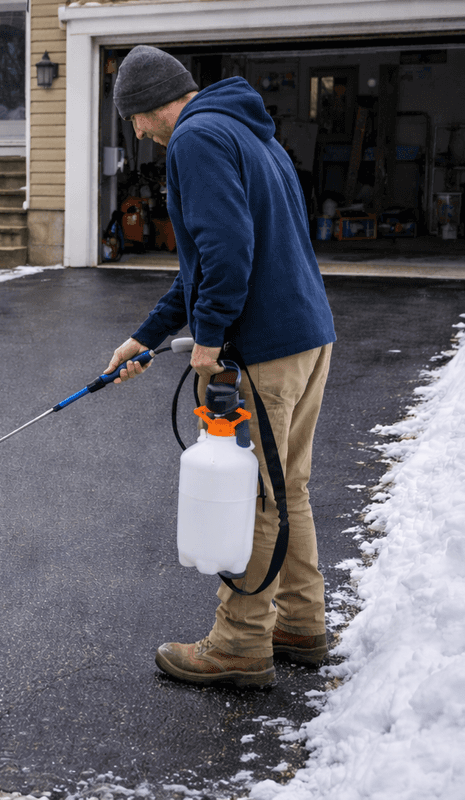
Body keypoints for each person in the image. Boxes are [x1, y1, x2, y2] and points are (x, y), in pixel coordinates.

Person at [106, 46, 337, 687]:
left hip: (265, 346)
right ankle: (299, 622)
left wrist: (208, 339)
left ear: (153, 105)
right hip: (306, 337)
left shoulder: (197, 139)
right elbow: (206, 265)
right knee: (286, 487)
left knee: (258, 494)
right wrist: (146, 337)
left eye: (135, 118)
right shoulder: (244, 131)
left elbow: (226, 251)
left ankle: (239, 643)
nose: (138, 133)